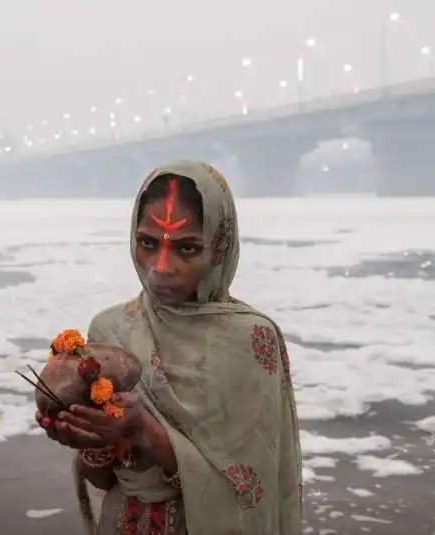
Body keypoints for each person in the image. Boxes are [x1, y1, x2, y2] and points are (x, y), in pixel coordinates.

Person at [35, 160, 302, 534]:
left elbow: (252, 491)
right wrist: (88, 437)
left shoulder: (250, 341)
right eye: (147, 243)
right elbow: (101, 479)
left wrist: (150, 433)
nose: (160, 267)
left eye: (188, 248)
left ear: (220, 247)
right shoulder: (110, 329)